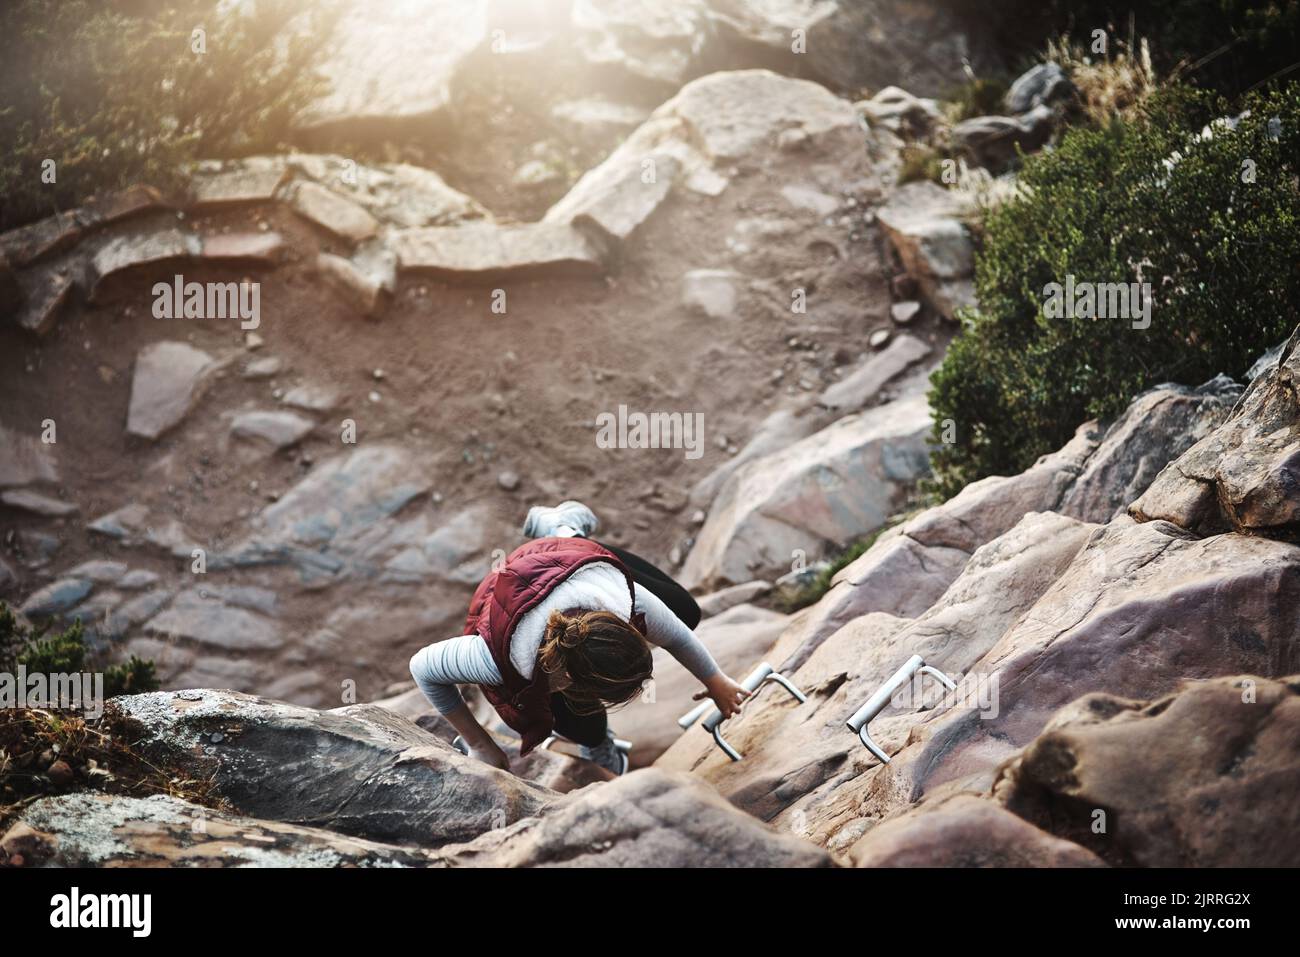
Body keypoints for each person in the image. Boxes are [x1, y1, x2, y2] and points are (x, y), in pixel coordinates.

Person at [409, 500, 750, 774]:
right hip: (512, 596)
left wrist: (715, 679)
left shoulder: (626, 601)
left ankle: (562, 527)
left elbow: (675, 635)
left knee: (686, 613)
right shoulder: (497, 659)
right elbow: (423, 667)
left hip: (577, 561)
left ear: (627, 624)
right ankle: (599, 744)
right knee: (587, 727)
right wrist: (481, 744)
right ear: (568, 677)